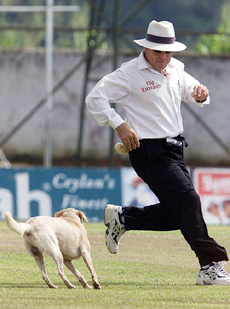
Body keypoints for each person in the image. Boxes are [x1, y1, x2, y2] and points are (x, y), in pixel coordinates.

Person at [86, 20, 230, 285]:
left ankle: (124, 218)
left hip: (175, 150)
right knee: (189, 201)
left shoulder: (175, 68)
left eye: (168, 52)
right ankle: (209, 265)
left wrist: (201, 93)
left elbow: (191, 91)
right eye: (157, 51)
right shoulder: (129, 73)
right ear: (146, 48)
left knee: (180, 213)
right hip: (148, 151)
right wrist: (119, 124)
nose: (163, 57)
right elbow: (94, 97)